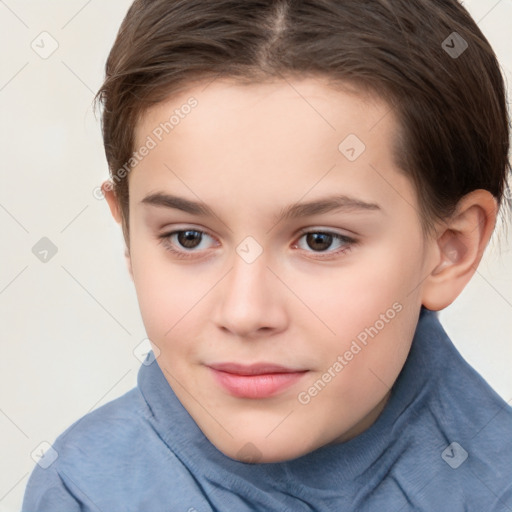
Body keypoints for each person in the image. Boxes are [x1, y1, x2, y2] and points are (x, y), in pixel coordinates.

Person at [22, 0, 512, 510]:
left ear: (450, 249)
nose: (245, 312)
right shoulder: (81, 491)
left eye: (321, 240)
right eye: (188, 237)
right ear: (128, 234)